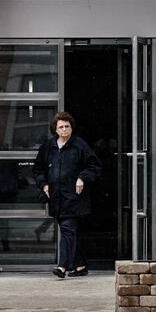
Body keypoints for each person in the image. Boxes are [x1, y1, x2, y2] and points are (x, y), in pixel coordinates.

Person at [33, 111, 102, 279]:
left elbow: (95, 166)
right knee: (69, 232)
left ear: (71, 128)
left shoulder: (79, 145)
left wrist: (82, 178)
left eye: (67, 126)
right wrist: (44, 184)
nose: (64, 130)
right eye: (61, 127)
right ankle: (80, 266)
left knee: (67, 230)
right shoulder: (48, 146)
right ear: (55, 129)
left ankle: (62, 266)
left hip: (74, 198)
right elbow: (38, 168)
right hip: (55, 197)